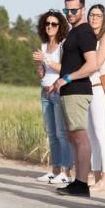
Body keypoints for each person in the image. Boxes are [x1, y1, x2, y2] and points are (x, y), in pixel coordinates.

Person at [49, 0, 98, 197]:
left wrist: (67, 78)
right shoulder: (74, 32)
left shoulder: (84, 32)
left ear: (83, 10)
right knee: (73, 136)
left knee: (80, 137)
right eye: (66, 10)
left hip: (77, 91)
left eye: (73, 10)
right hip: (69, 92)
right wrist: (58, 81)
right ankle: (77, 181)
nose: (69, 14)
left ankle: (81, 184)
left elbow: (92, 65)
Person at [32, 10, 73, 184]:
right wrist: (38, 64)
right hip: (45, 92)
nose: (50, 27)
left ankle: (66, 172)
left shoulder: (63, 46)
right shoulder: (43, 46)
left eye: (54, 24)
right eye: (47, 24)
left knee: (62, 133)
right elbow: (41, 74)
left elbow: (65, 69)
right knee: (51, 133)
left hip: (57, 91)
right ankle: (55, 170)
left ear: (60, 27)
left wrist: (46, 59)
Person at [87, 4, 105, 191]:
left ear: (104, 18)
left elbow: (96, 63)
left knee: (102, 134)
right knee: (92, 136)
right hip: (87, 88)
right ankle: (97, 175)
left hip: (99, 88)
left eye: (98, 15)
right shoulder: (90, 37)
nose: (94, 18)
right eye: (92, 15)